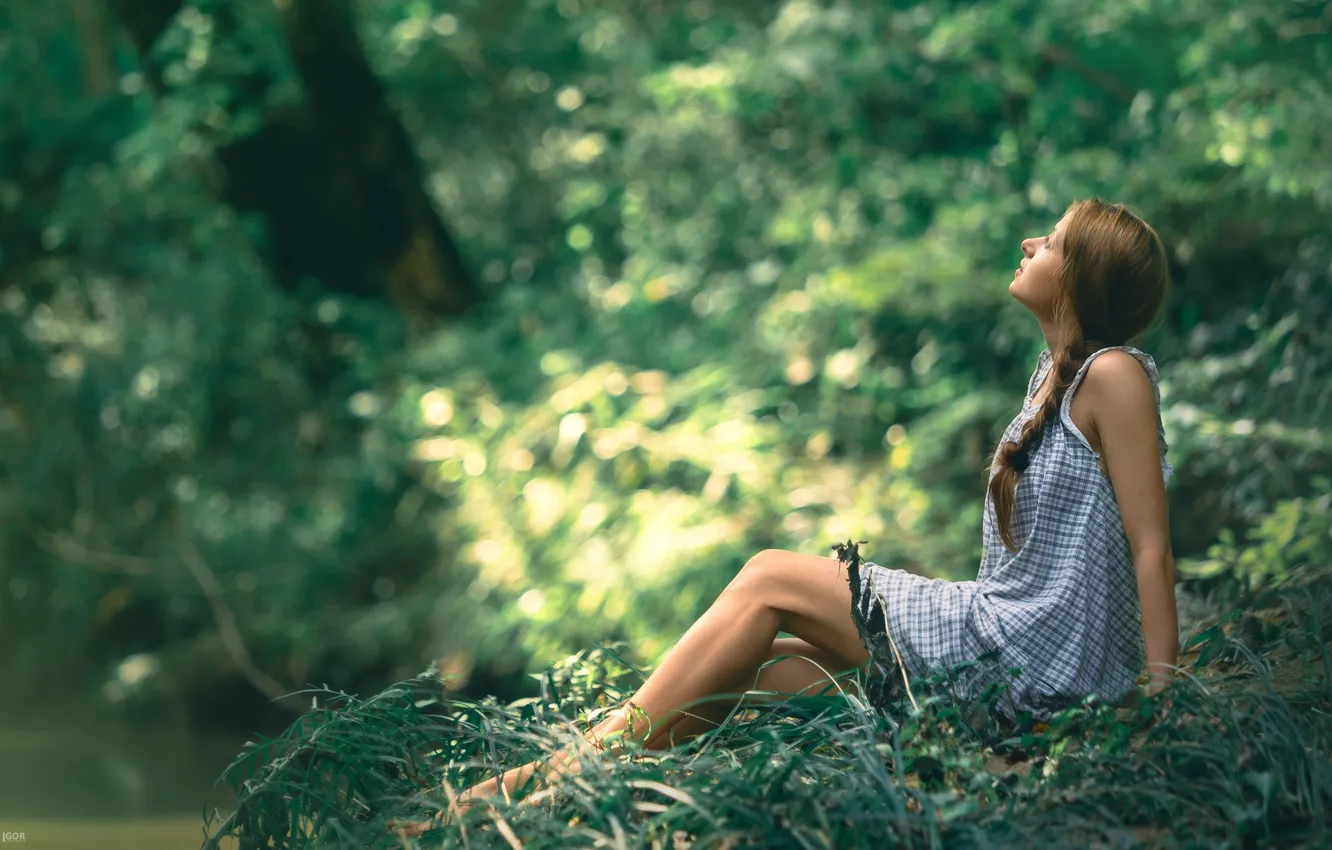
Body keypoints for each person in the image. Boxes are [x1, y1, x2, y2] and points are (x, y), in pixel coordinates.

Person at [397, 198, 1179, 834]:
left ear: (1078, 277)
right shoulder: (1057, 374)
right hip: (1011, 645)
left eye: (1053, 242)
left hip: (1036, 668)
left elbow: (1151, 549)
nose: (1029, 240)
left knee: (770, 575)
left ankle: (544, 777)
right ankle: (549, 804)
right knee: (774, 674)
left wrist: (1165, 699)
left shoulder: (1114, 375)